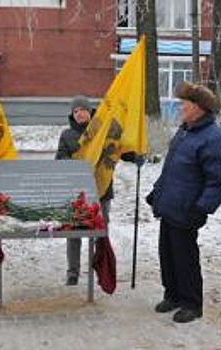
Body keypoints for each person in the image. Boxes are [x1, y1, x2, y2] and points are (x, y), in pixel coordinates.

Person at [146, 81, 221, 323]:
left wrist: (201, 208)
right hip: (170, 206)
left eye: (185, 103)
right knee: (168, 255)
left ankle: (192, 303)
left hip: (188, 210)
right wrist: (157, 193)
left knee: (186, 259)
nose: (180, 107)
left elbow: (218, 182)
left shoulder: (214, 138)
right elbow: (171, 170)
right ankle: (172, 295)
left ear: (199, 107)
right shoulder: (184, 132)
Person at [56, 95, 144, 286]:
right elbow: (60, 159)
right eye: (76, 111)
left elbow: (117, 148)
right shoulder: (67, 135)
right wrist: (81, 164)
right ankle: (73, 272)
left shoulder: (103, 131)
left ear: (90, 112)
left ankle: (101, 269)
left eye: (83, 109)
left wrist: (134, 155)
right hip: (76, 193)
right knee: (74, 232)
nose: (79, 113)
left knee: (100, 232)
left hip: (102, 190)